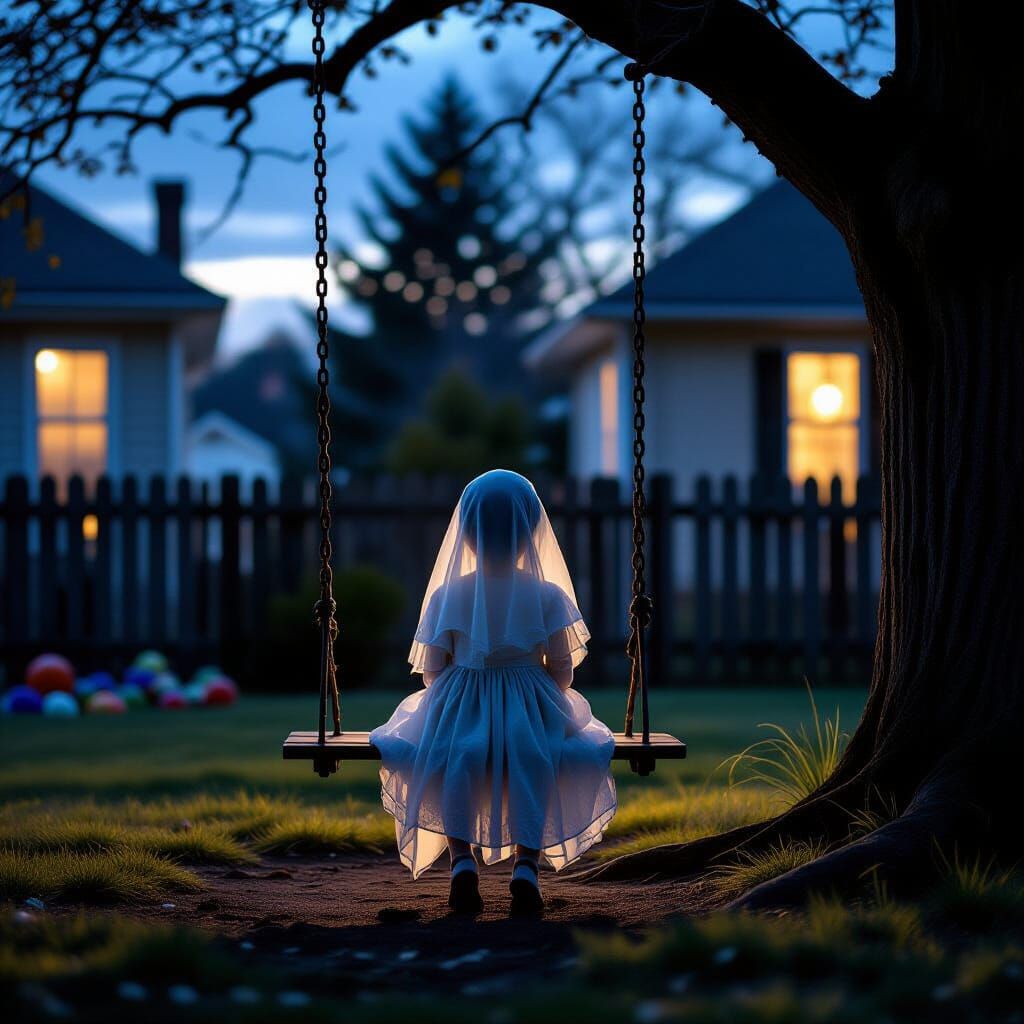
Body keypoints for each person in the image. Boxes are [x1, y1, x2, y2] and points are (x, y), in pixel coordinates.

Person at [370, 469, 617, 916]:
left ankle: (462, 862)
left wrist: (458, 692)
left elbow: (432, 669)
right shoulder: (547, 595)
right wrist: (544, 695)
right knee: (535, 759)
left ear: (465, 536)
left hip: (461, 702)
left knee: (453, 758)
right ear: (531, 533)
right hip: (531, 703)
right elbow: (562, 668)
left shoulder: (448, 594)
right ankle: (526, 868)